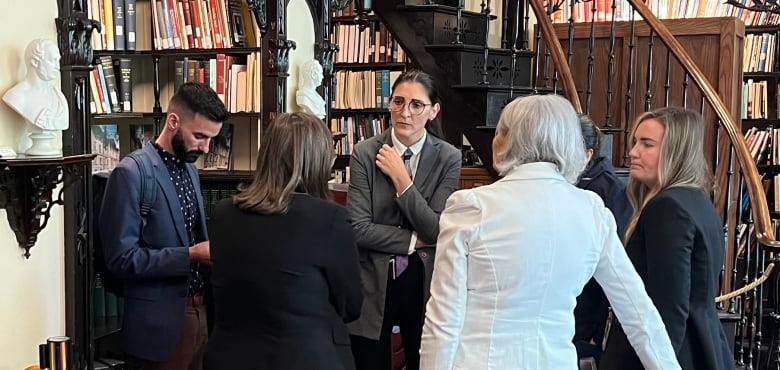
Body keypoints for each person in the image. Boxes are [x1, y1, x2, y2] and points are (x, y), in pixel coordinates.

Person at [419, 94, 681, 370]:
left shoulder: (472, 207)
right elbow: (639, 314)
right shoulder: (591, 211)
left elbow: (443, 320)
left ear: (508, 140)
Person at [203, 112, 363, 370]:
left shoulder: (223, 214)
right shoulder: (330, 219)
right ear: (317, 160)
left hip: (231, 358)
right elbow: (351, 305)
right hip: (306, 358)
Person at [99, 82, 230, 370]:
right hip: (157, 329)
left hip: (202, 316)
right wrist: (190, 255)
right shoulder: (130, 173)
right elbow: (120, 260)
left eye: (211, 139)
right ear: (173, 121)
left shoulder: (191, 169)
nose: (206, 148)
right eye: (199, 136)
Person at [600, 107, 734, 370]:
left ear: (675, 152)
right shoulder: (697, 200)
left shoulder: (667, 207)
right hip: (702, 345)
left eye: (646, 144)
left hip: (673, 353)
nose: (633, 152)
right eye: (634, 142)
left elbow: (668, 308)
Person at [347, 69, 462, 370]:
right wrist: (413, 240)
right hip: (373, 279)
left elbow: (436, 229)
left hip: (422, 282)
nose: (405, 113)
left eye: (416, 105)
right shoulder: (364, 152)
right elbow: (358, 228)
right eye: (398, 102)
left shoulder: (448, 157)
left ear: (433, 110)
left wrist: (401, 179)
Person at [572, 114, 632, 363]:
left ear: (587, 153)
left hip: (588, 306)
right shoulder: (578, 181)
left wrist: (596, 330)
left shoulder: (607, 189)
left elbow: (611, 258)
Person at [3, 38, 68, 132]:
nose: (57, 67)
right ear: (35, 62)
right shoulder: (16, 96)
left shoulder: (58, 97)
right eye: (52, 60)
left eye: (58, 61)